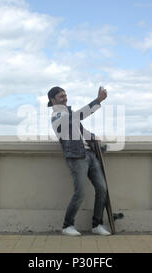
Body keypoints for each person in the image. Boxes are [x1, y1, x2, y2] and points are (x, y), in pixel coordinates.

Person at [48, 86, 111, 236]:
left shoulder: (69, 114)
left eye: (65, 95)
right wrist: (98, 101)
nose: (65, 98)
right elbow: (77, 117)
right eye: (61, 96)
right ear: (53, 100)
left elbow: (82, 132)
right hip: (76, 157)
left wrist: (95, 138)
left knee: (102, 188)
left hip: (89, 154)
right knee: (80, 192)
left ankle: (97, 225)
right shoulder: (57, 116)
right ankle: (67, 225)